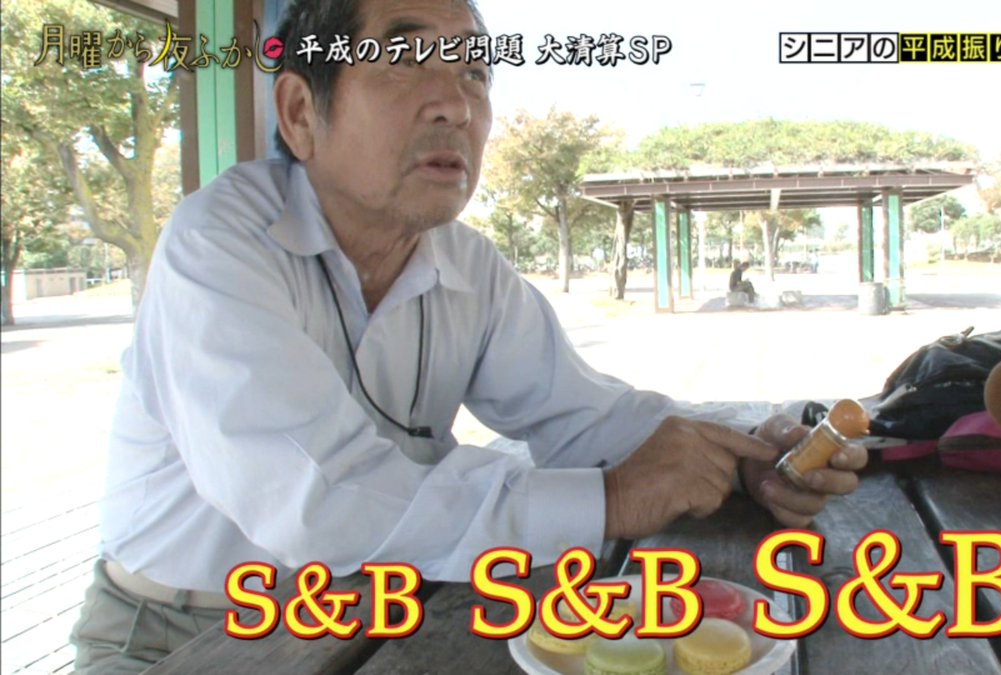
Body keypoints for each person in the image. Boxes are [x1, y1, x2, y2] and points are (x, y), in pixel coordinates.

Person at [68, 0, 867, 671]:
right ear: (302, 113)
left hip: (375, 607)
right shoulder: (219, 246)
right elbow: (321, 501)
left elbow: (583, 414)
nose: (455, 103)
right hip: (177, 631)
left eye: (475, 71)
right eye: (405, 57)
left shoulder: (467, 265)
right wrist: (615, 498)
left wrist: (740, 456)